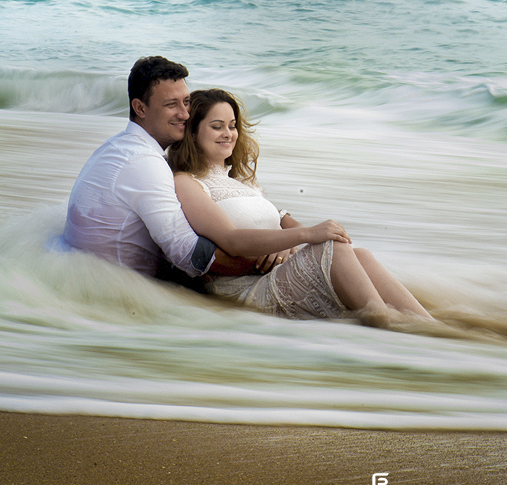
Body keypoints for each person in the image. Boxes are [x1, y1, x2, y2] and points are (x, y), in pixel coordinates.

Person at [64, 56, 347, 290]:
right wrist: (269, 260)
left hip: (87, 272)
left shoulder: (117, 147)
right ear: (140, 108)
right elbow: (188, 253)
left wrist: (280, 239)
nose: (185, 115)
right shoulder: (146, 164)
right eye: (171, 105)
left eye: (186, 102)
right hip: (117, 288)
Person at [168, 88, 433, 321]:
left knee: (358, 253)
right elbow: (232, 239)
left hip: (277, 271)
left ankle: (427, 326)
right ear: (193, 132)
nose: (229, 134)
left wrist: (287, 243)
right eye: (217, 126)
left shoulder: (243, 183)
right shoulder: (187, 182)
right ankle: (388, 323)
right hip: (245, 289)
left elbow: (281, 222)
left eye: (232, 125)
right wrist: (304, 235)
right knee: (334, 249)